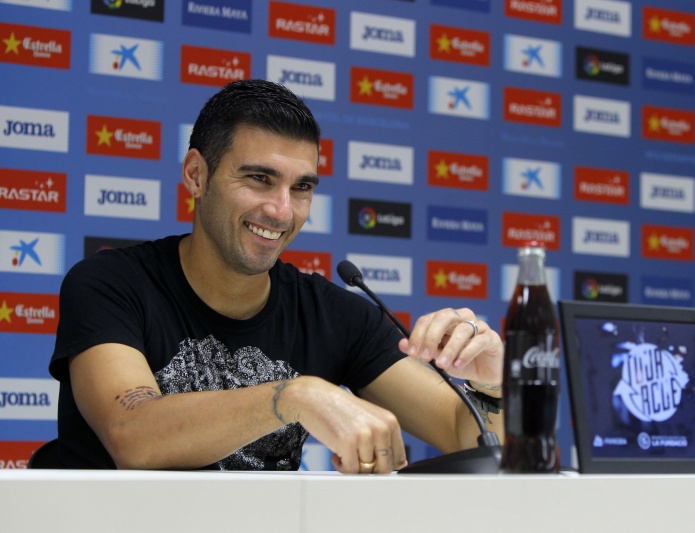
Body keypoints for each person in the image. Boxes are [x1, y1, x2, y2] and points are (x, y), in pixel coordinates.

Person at [48, 79, 504, 473]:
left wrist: (493, 385)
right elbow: (133, 434)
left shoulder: (332, 314)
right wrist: (295, 396)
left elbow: (472, 438)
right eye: (259, 179)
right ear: (196, 175)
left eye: (301, 187)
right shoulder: (110, 284)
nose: (282, 211)